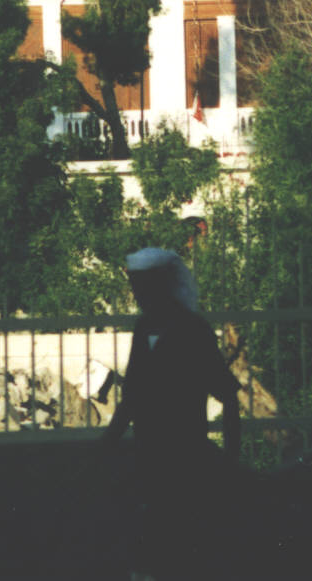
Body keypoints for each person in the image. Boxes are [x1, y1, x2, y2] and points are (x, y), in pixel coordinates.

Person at [102, 248, 243, 579]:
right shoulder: (143, 329)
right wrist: (107, 443)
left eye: (143, 286)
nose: (137, 294)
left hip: (186, 460)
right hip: (149, 457)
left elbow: (229, 397)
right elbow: (132, 396)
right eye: (134, 286)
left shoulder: (193, 331)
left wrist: (231, 461)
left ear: (162, 285)